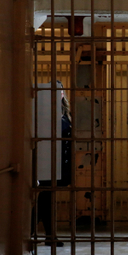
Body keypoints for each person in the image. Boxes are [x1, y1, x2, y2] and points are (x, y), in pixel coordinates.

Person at [36, 93, 72, 247]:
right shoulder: (47, 113)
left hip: (56, 163)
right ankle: (43, 234)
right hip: (48, 163)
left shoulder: (62, 112)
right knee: (45, 200)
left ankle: (47, 235)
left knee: (45, 200)